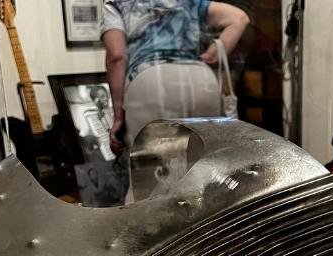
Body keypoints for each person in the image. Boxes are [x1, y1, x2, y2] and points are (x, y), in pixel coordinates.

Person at [101, 1, 250, 155]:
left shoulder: (116, 2)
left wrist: (118, 117)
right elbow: (239, 18)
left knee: (153, 164)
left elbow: (117, 57)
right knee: (202, 161)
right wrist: (212, 55)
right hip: (200, 80)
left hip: (149, 82)